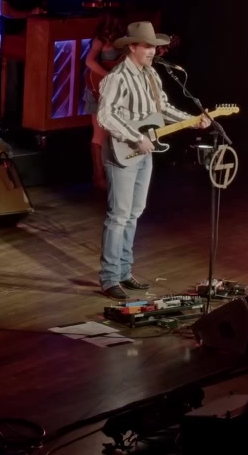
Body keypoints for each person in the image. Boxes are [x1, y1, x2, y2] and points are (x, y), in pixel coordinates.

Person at [94, 21, 209, 300]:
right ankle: (110, 278)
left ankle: (124, 272)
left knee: (134, 212)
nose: (152, 51)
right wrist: (135, 137)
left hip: (145, 152)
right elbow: (105, 115)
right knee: (119, 215)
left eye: (154, 47)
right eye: (147, 46)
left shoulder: (152, 75)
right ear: (132, 47)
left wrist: (193, 121)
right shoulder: (117, 77)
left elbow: (163, 108)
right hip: (123, 151)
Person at [0, 0, 48, 127]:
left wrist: (42, 12)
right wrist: (29, 14)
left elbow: (43, 5)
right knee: (12, 80)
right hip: (11, 34)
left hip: (34, 35)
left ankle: (29, 118)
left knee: (31, 78)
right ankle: (9, 122)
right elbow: (3, 11)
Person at [84, 11, 126, 190]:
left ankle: (114, 172)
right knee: (100, 134)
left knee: (115, 134)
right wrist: (108, 75)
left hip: (116, 94)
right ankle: (98, 176)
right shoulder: (99, 40)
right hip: (99, 91)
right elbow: (89, 62)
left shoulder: (125, 41)